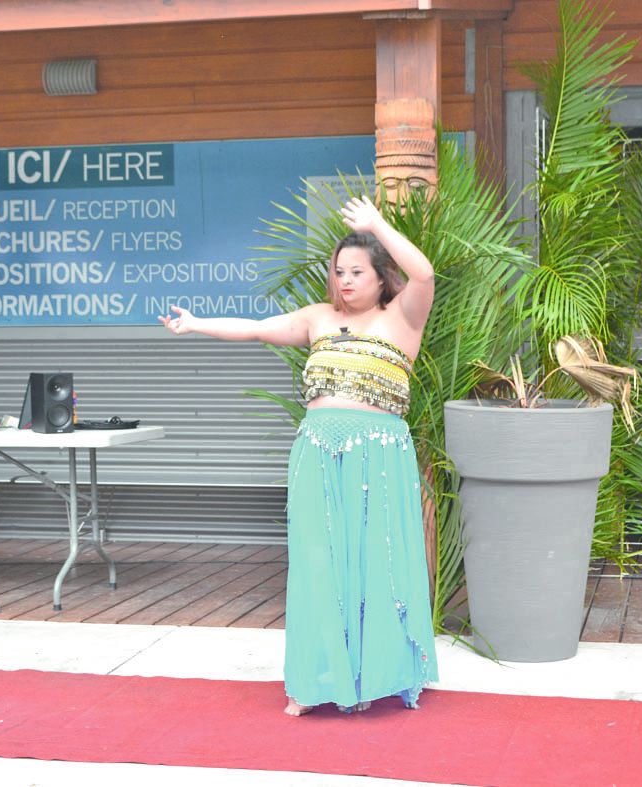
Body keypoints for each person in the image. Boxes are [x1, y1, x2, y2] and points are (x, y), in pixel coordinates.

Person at [161, 195, 438, 715]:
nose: (346, 280)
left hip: (378, 456)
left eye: (357, 271)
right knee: (317, 564)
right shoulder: (317, 317)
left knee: (377, 563)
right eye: (339, 272)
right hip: (317, 451)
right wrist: (196, 323)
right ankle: (315, 681)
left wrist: (377, 223)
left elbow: (423, 274)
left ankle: (381, 673)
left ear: (381, 276)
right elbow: (256, 328)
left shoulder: (404, 317)